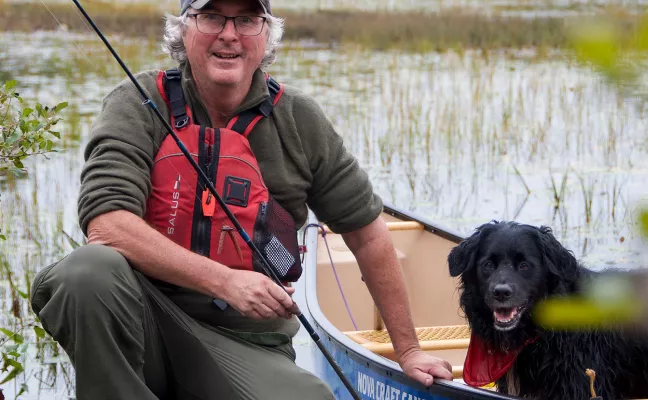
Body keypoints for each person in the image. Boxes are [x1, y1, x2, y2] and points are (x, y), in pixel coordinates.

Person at [28, 0, 453, 398]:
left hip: (249, 341)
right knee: (86, 272)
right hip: (146, 323)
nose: (229, 34)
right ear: (183, 30)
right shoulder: (138, 103)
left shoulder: (299, 120)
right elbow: (108, 226)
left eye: (247, 19)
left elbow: (369, 236)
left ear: (266, 34)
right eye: (212, 16)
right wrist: (225, 281)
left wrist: (409, 350)